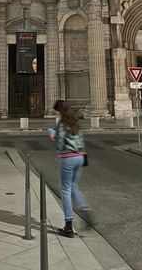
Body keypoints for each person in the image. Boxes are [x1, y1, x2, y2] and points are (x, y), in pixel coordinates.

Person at [48, 100, 93, 237]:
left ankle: (68, 226)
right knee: (73, 185)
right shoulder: (74, 122)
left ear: (60, 111)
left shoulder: (62, 124)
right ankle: (85, 209)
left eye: (55, 111)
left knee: (65, 190)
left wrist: (53, 136)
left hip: (67, 158)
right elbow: (80, 142)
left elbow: (60, 144)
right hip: (79, 157)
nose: (54, 113)